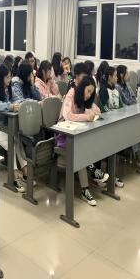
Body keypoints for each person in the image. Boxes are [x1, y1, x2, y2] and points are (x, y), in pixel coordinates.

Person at [57, 76, 107, 206]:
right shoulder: (71, 94)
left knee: (88, 143)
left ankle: (90, 182)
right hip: (64, 136)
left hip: (78, 135)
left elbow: (95, 109)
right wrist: (86, 117)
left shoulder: (84, 98)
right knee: (80, 149)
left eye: (91, 93)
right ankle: (91, 177)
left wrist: (93, 111)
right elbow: (68, 116)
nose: (89, 95)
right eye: (88, 91)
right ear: (82, 87)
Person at [0, 64, 27, 192]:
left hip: (8, 127)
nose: (9, 80)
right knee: (12, 145)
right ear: (1, 77)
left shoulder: (10, 88)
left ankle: (26, 172)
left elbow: (19, 99)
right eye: (7, 77)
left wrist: (24, 103)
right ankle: (14, 177)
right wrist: (11, 106)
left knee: (18, 142)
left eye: (10, 77)